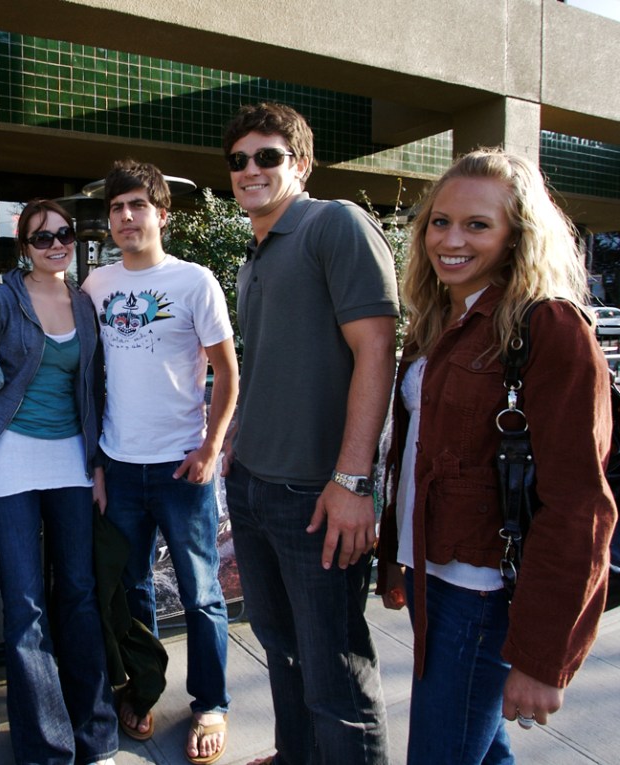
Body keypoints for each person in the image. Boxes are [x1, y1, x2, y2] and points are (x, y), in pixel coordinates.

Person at [375, 149, 617, 764]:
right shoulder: (437, 319)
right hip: (437, 574)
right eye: (439, 221)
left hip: (484, 595)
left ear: (517, 236)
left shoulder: (550, 327)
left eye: (477, 225)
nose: (450, 240)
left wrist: (543, 659)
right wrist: (398, 557)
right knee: (481, 752)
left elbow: (580, 505)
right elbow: (418, 459)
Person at [220, 102, 397, 765]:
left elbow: (376, 351)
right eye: (238, 160)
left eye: (268, 156)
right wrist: (238, 440)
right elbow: (272, 363)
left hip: (318, 496)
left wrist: (354, 482)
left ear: (301, 161)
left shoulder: (334, 224)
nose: (250, 170)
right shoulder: (255, 252)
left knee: (336, 673)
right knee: (283, 649)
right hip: (255, 488)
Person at [81, 159, 239, 765]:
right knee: (132, 585)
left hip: (181, 468)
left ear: (162, 215)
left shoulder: (194, 282)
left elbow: (227, 372)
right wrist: (96, 463)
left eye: (137, 206)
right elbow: (87, 375)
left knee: (202, 594)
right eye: (117, 207)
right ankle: (143, 690)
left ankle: (212, 703)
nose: (125, 216)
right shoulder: (96, 285)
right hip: (119, 466)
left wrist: (211, 446)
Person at [0, 198, 117, 765]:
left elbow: (93, 388)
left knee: (78, 592)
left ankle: (94, 736)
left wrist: (96, 464)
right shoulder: (1, 300)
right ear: (24, 248)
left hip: (71, 459)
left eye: (64, 235)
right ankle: (47, 749)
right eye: (42, 238)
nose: (55, 245)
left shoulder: (85, 301)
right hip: (11, 459)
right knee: (25, 604)